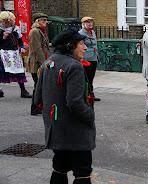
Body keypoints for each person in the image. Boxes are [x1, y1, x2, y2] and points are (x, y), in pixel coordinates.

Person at [34, 29, 95, 184]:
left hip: (57, 129)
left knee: (60, 167)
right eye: (81, 44)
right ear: (70, 46)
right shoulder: (74, 66)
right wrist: (89, 116)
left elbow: (37, 98)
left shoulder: (49, 62)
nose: (85, 48)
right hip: (75, 131)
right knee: (82, 171)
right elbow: (75, 103)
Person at [0, 11, 31, 98]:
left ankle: (23, 91)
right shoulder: (0, 30)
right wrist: (3, 38)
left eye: (8, 21)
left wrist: (22, 48)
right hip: (3, 53)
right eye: (5, 21)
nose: (6, 23)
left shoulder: (16, 29)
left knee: (19, 71)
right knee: (1, 71)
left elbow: (20, 42)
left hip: (14, 53)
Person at [27, 13, 50, 115]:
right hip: (37, 63)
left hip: (41, 61)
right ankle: (35, 108)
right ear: (37, 21)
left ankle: (39, 106)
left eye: (46, 20)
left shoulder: (41, 31)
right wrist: (44, 63)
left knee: (41, 86)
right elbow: (37, 49)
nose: (45, 22)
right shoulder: (35, 32)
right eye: (43, 20)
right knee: (38, 86)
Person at [79, 16, 101, 102]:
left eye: (91, 22)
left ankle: (90, 94)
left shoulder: (93, 32)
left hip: (94, 57)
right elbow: (79, 46)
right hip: (86, 58)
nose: (90, 24)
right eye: (87, 22)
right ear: (83, 24)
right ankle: (85, 95)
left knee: (91, 78)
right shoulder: (81, 33)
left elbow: (95, 45)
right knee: (86, 78)